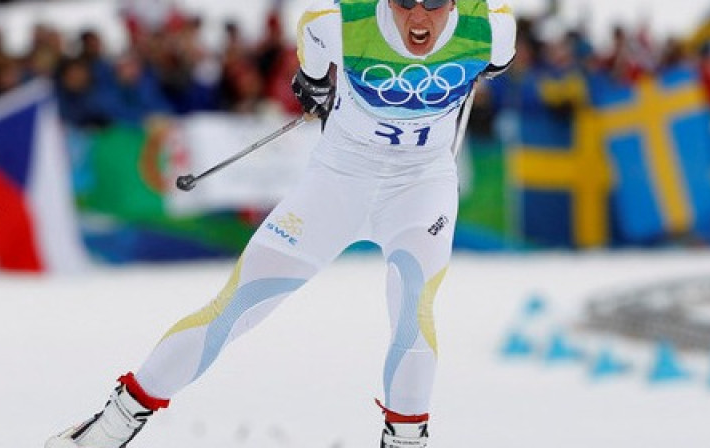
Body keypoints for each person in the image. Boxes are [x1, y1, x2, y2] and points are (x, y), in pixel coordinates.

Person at [46, 0, 515, 447]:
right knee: (236, 306)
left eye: (433, 2)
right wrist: (312, 79)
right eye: (404, 1)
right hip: (338, 184)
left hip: (420, 187)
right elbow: (311, 30)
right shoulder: (343, 21)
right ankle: (110, 428)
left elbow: (497, 62)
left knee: (414, 309)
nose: (417, 16)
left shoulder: (493, 28)